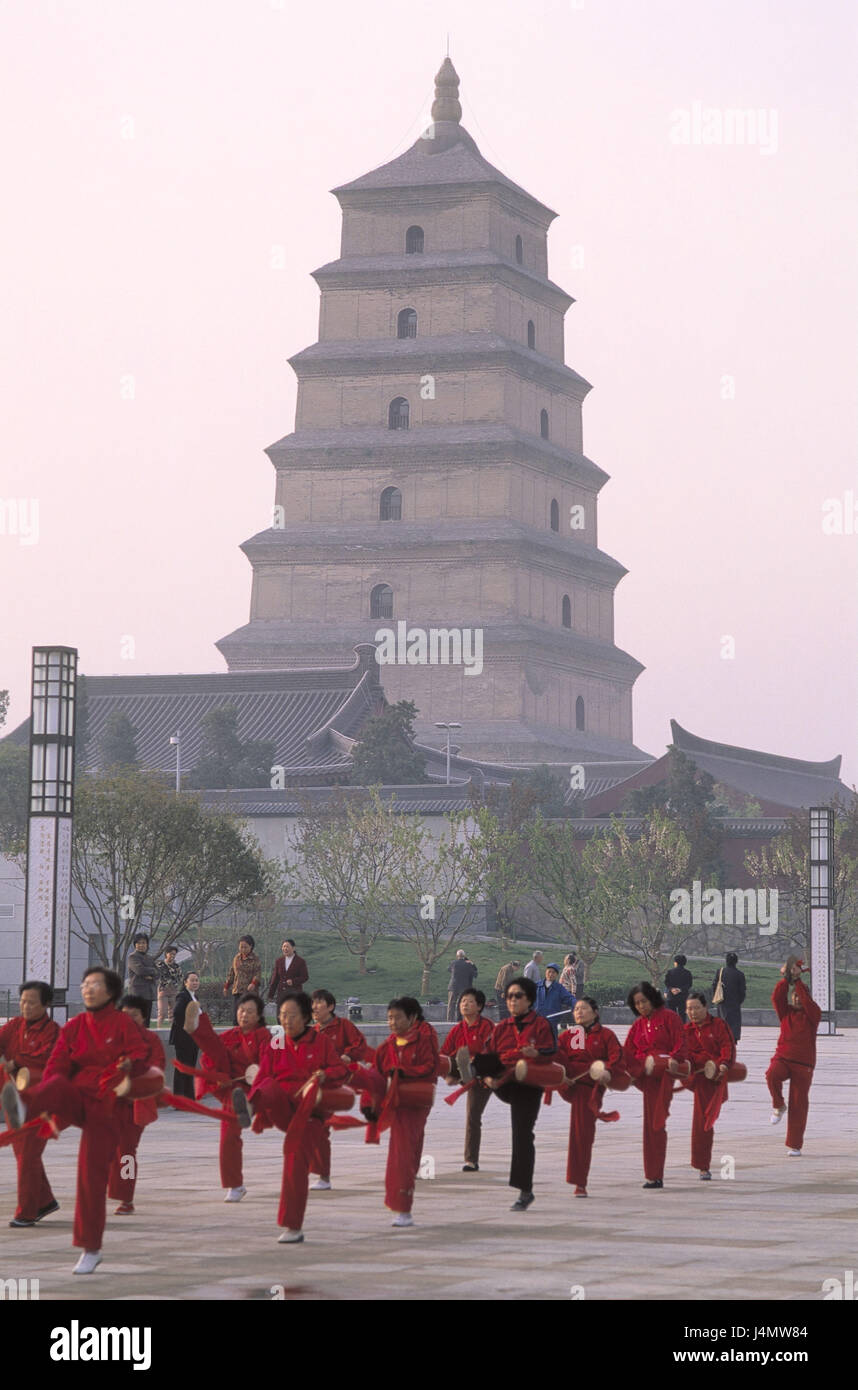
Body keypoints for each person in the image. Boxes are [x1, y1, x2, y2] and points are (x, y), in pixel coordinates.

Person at [1, 967, 149, 1275]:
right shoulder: (74, 1026)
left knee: (90, 1174)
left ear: (110, 991)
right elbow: (57, 1064)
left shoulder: (122, 1024)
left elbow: (139, 1053)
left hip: (105, 1105)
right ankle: (27, 1110)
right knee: (51, 1087)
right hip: (72, 1097)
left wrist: (127, 1063)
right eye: (85, 984)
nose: (88, 989)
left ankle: (90, 1248)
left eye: (95, 984)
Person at [232, 992, 347, 1244]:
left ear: (306, 1017)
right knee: (268, 1084)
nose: (286, 1021)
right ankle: (250, 1107)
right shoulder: (276, 1043)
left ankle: (293, 1226)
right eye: (282, 1015)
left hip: (309, 1114)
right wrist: (255, 1092)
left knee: (294, 1164)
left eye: (292, 1016)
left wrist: (325, 1074)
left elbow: (340, 1069)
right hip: (282, 1107)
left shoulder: (321, 1043)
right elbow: (263, 1074)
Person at [470, 975, 556, 1211]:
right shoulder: (503, 1027)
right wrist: (486, 1076)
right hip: (504, 1080)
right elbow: (489, 1051)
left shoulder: (541, 1024)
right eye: (509, 997)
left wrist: (537, 1053)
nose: (512, 1001)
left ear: (529, 999)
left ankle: (524, 1190)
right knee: (481, 1061)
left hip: (528, 1084)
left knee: (522, 1133)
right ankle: (476, 1075)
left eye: (518, 996)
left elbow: (552, 1051)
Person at [182, 990, 270, 1202]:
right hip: (232, 1090)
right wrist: (218, 1076)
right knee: (215, 1047)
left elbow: (274, 1062)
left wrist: (259, 1074)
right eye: (241, 1010)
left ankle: (248, 1106)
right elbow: (209, 1059)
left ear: (258, 1016)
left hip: (257, 1088)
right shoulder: (230, 1036)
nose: (244, 1015)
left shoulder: (266, 1037)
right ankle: (235, 1185)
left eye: (250, 1012)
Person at [366, 996, 438, 1228]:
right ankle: (398, 1201)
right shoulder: (386, 1046)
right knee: (398, 1154)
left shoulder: (423, 1040)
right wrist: (368, 1105)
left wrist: (404, 1072)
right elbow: (375, 1077)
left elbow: (430, 1067)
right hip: (395, 1105)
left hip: (415, 1104)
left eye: (398, 1017)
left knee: (404, 1152)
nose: (393, 1022)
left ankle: (404, 1206)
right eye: (390, 1018)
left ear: (412, 1018)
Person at [0, 980, 61, 1227]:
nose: (25, 1006)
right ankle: (44, 1201)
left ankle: (26, 1212)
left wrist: (17, 1062)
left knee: (27, 1155)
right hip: (14, 1101)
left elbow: (47, 1058)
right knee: (25, 1155)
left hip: (41, 1104)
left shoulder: (54, 1031)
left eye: (31, 1002)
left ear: (46, 1004)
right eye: (23, 1001)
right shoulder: (14, 1026)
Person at [557, 996, 625, 1197]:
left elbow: (617, 1057)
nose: (578, 1012)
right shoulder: (568, 1036)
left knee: (582, 1133)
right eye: (576, 1009)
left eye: (583, 1008)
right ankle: (579, 1181)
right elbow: (557, 1056)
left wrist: (608, 1071)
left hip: (589, 1088)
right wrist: (562, 1075)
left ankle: (579, 1182)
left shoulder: (606, 1035)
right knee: (580, 1132)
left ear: (595, 1012)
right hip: (570, 1084)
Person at [106, 994, 168, 1214]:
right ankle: (115, 1190)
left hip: (137, 1102)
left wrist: (134, 1069)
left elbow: (158, 1068)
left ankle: (126, 1198)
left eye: (135, 1016)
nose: (130, 1021)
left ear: (143, 1018)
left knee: (127, 1151)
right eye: (125, 1016)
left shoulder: (150, 1040)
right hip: (111, 1102)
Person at [623, 980, 687, 1189]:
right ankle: (652, 1175)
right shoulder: (638, 1025)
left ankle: (655, 1174)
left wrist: (675, 1057)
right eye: (637, 1003)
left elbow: (680, 1042)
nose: (641, 1006)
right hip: (646, 1078)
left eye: (644, 1001)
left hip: (665, 1075)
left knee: (656, 1124)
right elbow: (628, 1051)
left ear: (653, 998)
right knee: (650, 1126)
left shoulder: (669, 1017)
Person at [308, 988, 374, 1190]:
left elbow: (360, 1045)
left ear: (330, 1006)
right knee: (317, 1126)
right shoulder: (312, 1033)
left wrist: (348, 1055)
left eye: (319, 1003)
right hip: (325, 1081)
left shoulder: (344, 1025)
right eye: (313, 1003)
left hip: (345, 1075)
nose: (315, 1007)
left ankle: (373, 1106)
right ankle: (322, 1175)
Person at [765, 956, 821, 1156]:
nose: (796, 999)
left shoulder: (813, 1015)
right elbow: (776, 997)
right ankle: (778, 1105)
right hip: (783, 1058)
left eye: (799, 996)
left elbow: (806, 1000)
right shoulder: (785, 1013)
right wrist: (787, 979)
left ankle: (794, 1145)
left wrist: (798, 982)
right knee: (771, 1074)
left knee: (799, 1104)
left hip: (804, 1064)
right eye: (794, 996)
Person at [680, 991, 736, 1180]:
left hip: (717, 1077)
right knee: (702, 1122)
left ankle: (702, 1164)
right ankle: (702, 1165)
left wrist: (723, 1063)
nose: (692, 1012)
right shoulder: (686, 1031)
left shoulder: (719, 1025)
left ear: (706, 1008)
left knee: (706, 1120)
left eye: (696, 1008)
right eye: (689, 1009)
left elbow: (727, 1046)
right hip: (699, 1080)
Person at [440, 988, 495, 1171]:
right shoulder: (457, 1029)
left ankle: (471, 1160)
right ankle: (458, 1073)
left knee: (473, 1115)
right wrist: (446, 1074)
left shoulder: (487, 1027)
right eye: (462, 1001)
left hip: (483, 1074)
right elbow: (444, 1054)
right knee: (446, 1062)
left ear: (479, 1006)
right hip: (463, 1068)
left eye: (469, 1001)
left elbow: (492, 1052)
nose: (464, 1004)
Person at [169, 971, 201, 1100]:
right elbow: (177, 1014)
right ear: (185, 982)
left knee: (190, 1067)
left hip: (193, 1038)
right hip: (183, 1038)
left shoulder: (194, 997)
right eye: (192, 980)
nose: (195, 983)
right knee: (183, 1067)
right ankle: (180, 1097)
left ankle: (188, 1096)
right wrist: (187, 1027)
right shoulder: (182, 996)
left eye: (196, 980)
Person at [224, 935, 262, 1022]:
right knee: (236, 1017)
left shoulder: (255, 959)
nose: (243, 949)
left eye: (245, 947)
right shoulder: (236, 958)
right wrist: (226, 986)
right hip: (237, 990)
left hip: (249, 992)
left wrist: (253, 983)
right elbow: (231, 973)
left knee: (248, 1017)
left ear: (251, 946)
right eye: (241, 947)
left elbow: (258, 973)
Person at [124, 934, 158, 1027]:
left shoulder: (150, 958)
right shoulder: (133, 957)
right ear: (135, 945)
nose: (141, 945)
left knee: (146, 1022)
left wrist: (151, 973)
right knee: (137, 1021)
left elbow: (158, 972)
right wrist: (152, 971)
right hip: (138, 994)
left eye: (144, 943)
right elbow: (140, 970)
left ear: (147, 945)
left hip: (149, 993)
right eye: (139, 943)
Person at [712, 952, 747, 1043]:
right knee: (734, 1023)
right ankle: (733, 1039)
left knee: (722, 1021)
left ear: (726, 961)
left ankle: (722, 1039)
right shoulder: (740, 974)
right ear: (736, 961)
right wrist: (739, 1001)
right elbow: (742, 991)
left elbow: (714, 986)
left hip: (722, 1001)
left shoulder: (720, 971)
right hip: (734, 1003)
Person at [535, 963, 576, 1037]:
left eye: (553, 972)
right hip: (536, 1022)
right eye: (549, 971)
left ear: (557, 975)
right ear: (545, 972)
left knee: (551, 1045)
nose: (551, 974)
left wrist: (577, 1005)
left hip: (551, 1023)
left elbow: (570, 998)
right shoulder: (536, 986)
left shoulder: (559, 989)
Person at [267, 938, 309, 1010]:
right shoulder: (279, 961)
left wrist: (293, 981)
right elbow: (275, 979)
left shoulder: (300, 961)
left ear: (293, 948)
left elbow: (305, 977)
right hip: (281, 995)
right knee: (280, 1017)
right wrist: (270, 995)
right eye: (283, 946)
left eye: (287, 947)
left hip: (295, 995)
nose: (285, 949)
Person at [447, 950, 478, 1021]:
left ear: (457, 956)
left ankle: (449, 1019)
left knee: (451, 1004)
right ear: (464, 956)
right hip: (464, 987)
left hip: (453, 986)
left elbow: (449, 969)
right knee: (461, 1003)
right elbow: (475, 974)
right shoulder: (468, 964)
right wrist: (472, 963)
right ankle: (459, 1019)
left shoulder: (453, 963)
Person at [156, 947, 183, 1026]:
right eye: (171, 954)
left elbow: (181, 977)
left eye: (174, 954)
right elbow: (157, 975)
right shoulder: (160, 964)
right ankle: (158, 1030)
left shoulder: (176, 966)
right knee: (162, 1013)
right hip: (163, 990)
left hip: (174, 991)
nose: (172, 956)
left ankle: (172, 1032)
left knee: (174, 1014)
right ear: (166, 954)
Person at [664, 954, 692, 1020]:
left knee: (671, 1015)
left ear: (676, 963)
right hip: (683, 996)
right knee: (682, 1014)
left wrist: (672, 989)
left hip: (671, 996)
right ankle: (682, 1028)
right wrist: (680, 989)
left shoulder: (670, 972)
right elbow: (689, 984)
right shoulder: (687, 973)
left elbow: (666, 983)